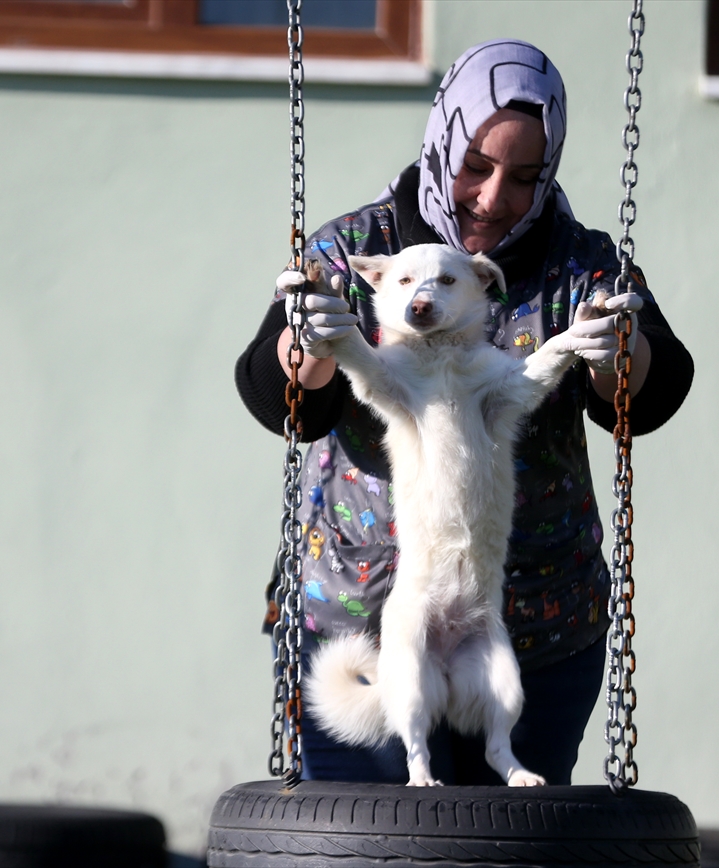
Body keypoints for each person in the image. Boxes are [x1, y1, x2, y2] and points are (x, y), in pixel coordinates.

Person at [235, 40, 693, 786]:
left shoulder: (584, 265)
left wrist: (614, 348)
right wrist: (313, 339)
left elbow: (653, 394)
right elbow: (278, 397)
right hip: (357, 614)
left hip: (535, 626)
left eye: (524, 177)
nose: (492, 197)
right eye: (476, 166)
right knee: (358, 838)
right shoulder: (357, 248)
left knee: (510, 839)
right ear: (442, 141)